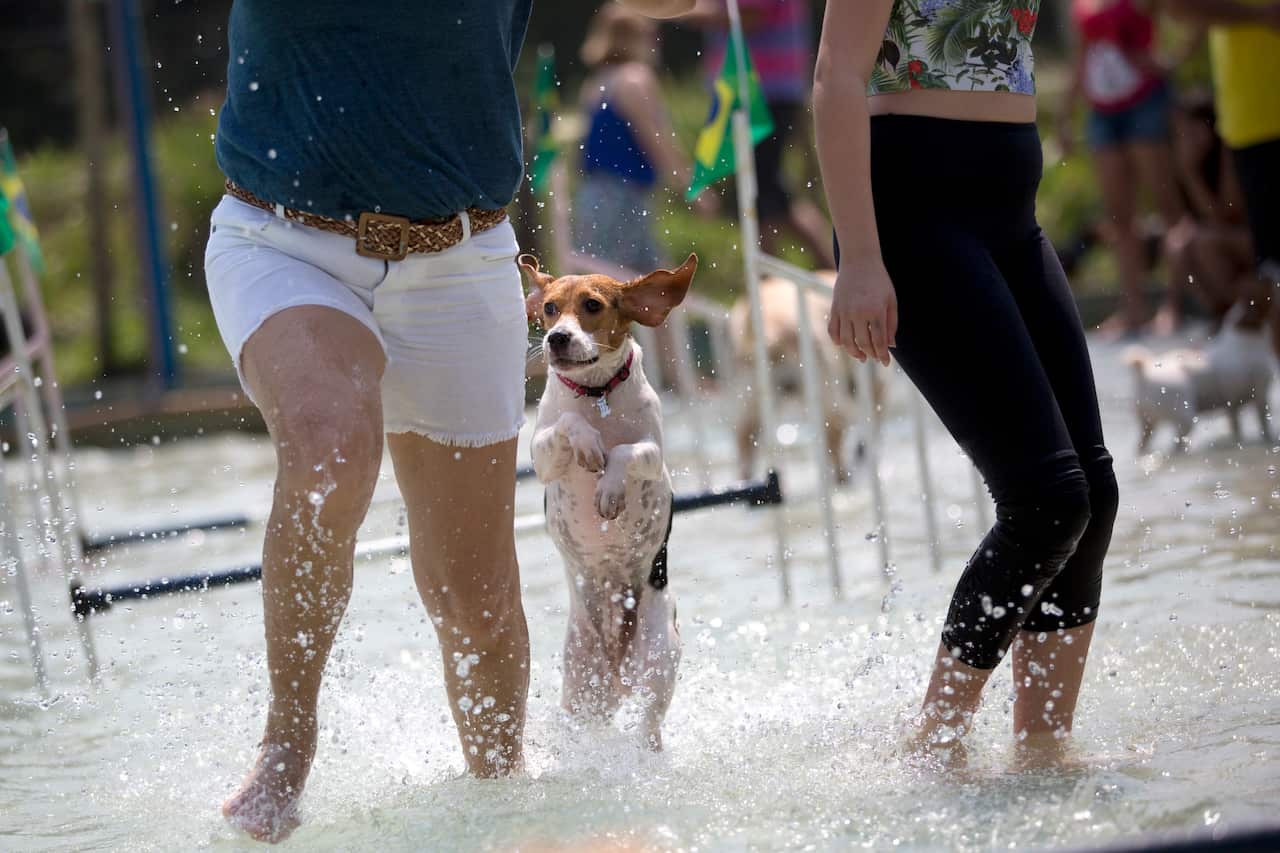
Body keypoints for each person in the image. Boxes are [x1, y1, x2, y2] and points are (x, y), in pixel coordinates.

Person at [203, 0, 693, 842]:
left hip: (461, 256)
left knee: (476, 596)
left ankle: (503, 802)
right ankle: (288, 742)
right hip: (284, 240)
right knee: (331, 449)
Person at [813, 2, 1120, 763]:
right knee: (1048, 502)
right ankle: (934, 747)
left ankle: (1043, 751)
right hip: (914, 212)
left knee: (1093, 495)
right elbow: (836, 75)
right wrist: (859, 257)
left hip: (1011, 211)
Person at [1058, 0, 1195, 338]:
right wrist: (1066, 113)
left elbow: (1188, 13)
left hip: (1144, 102)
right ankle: (1134, 309)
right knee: (1119, 216)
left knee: (1167, 208)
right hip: (1103, 111)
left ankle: (1174, 305)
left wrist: (1172, 60)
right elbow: (1082, 54)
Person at [1163, 0, 1280, 355]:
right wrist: (1261, 15)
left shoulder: (1220, 143)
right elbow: (1178, 7)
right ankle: (1241, 331)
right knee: (1273, 275)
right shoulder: (1216, 144)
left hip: (1256, 119)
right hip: (1255, 119)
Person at [686, 0, 836, 267]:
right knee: (768, 191)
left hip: (763, 91)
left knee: (763, 192)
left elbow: (751, 16)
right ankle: (793, 272)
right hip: (761, 89)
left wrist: (678, 12)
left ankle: (776, 275)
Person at [573, 6, 715, 279]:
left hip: (593, 196)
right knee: (636, 285)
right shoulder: (634, 79)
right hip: (623, 198)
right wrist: (693, 188)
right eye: (652, 35)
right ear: (633, 38)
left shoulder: (595, 83)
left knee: (631, 282)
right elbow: (657, 142)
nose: (657, 43)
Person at [1158, 93, 1260, 333]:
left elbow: (1224, 216)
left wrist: (1190, 173)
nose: (1185, 137)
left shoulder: (1228, 153)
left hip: (1251, 239)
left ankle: (1239, 310)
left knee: (1205, 243)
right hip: (1222, 238)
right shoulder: (1184, 159)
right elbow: (1186, 219)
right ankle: (1220, 312)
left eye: (1191, 129)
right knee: (1177, 244)